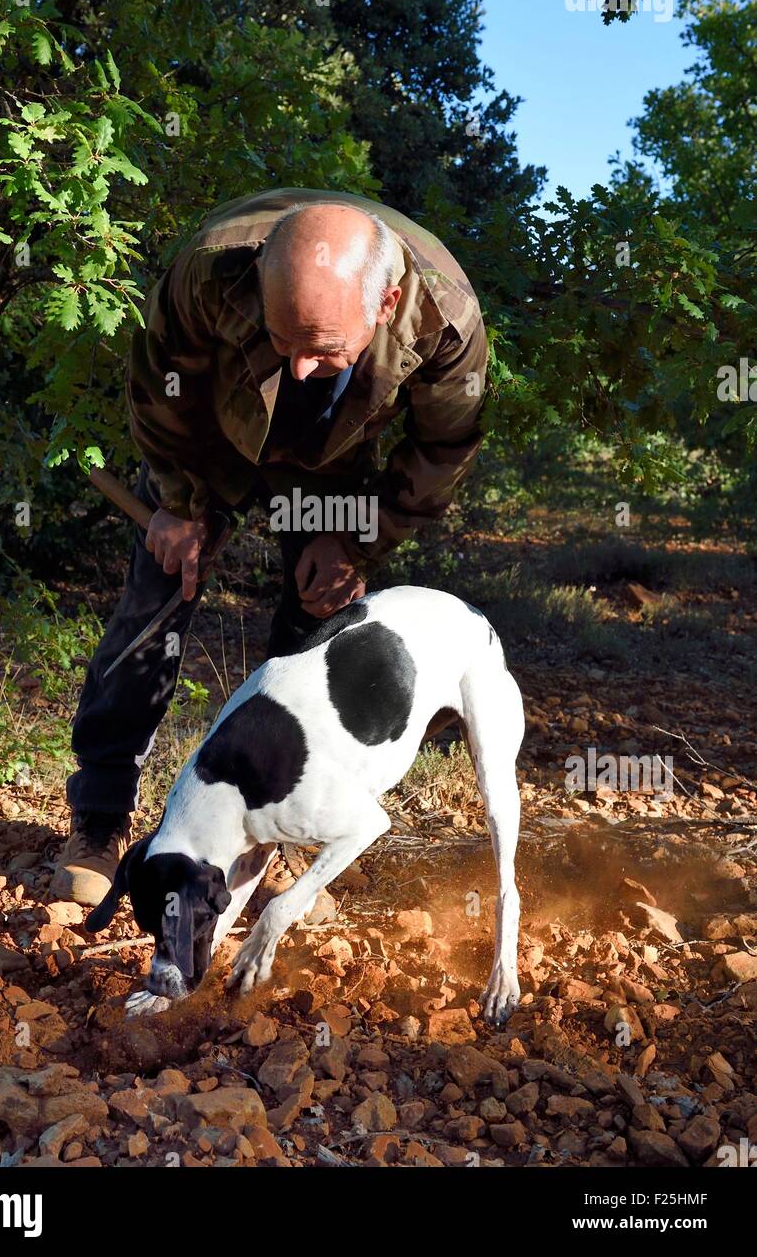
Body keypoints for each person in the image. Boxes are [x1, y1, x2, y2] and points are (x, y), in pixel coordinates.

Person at [51, 187, 488, 904]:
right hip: (213, 442)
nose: (299, 369)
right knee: (155, 605)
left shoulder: (447, 319)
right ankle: (98, 820)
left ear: (385, 306)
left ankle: (275, 834)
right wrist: (179, 505)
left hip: (337, 470)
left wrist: (356, 542)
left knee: (314, 641)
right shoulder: (208, 270)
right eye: (283, 341)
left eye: (324, 348)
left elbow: (443, 449)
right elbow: (159, 388)